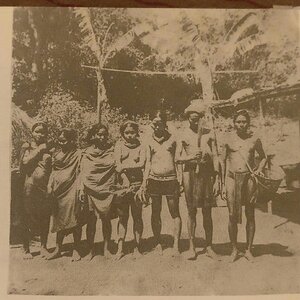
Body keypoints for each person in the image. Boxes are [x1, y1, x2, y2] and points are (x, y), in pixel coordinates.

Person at [220, 109, 267, 262]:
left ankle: (248, 249)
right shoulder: (227, 139)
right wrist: (221, 184)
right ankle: (234, 249)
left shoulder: (254, 139)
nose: (241, 124)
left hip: (249, 179)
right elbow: (222, 162)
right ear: (234, 123)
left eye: (244, 122)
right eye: (238, 122)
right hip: (232, 178)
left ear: (248, 123)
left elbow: (264, 157)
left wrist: (258, 170)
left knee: (250, 214)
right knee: (232, 215)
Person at [176, 101, 220, 260]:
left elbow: (216, 156)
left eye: (197, 118)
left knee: (207, 212)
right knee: (191, 211)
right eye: (192, 119)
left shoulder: (209, 133)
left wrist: (217, 179)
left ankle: (209, 247)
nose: (195, 121)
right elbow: (177, 158)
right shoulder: (183, 134)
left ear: (202, 118)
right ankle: (192, 247)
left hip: (207, 175)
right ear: (188, 118)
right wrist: (189, 157)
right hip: (190, 174)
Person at [143, 111, 182, 256]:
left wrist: (180, 179)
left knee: (174, 212)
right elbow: (147, 162)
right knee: (155, 212)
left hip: (171, 179)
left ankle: (176, 244)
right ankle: (158, 241)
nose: (156, 125)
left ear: (165, 124)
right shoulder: (149, 140)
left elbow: (178, 161)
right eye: (154, 123)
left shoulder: (173, 139)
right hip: (154, 180)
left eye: (159, 123)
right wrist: (144, 182)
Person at [79, 124, 118, 260]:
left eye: (104, 135)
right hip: (90, 189)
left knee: (106, 219)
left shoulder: (111, 150)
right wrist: (82, 189)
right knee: (91, 220)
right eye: (99, 134)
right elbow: (83, 172)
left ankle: (106, 248)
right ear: (93, 136)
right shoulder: (86, 153)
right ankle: (90, 250)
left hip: (107, 188)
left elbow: (116, 166)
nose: (102, 137)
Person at [46, 129, 83, 261]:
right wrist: (49, 185)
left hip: (72, 189)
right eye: (60, 140)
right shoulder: (56, 154)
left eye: (64, 140)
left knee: (74, 218)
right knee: (59, 219)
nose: (61, 143)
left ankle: (76, 249)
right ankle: (58, 248)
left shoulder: (78, 154)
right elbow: (53, 171)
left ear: (72, 141)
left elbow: (80, 171)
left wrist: (79, 188)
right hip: (58, 191)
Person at [19, 122, 53, 259]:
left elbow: (52, 167)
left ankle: (43, 247)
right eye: (38, 131)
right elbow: (25, 162)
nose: (40, 134)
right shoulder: (27, 146)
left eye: (43, 132)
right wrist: (39, 149)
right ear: (32, 132)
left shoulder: (49, 148)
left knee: (45, 217)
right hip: (29, 187)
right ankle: (26, 249)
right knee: (27, 217)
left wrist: (51, 185)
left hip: (44, 187)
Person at [114, 121, 146, 259]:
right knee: (122, 217)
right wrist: (124, 172)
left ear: (136, 132)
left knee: (137, 216)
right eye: (126, 133)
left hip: (137, 184)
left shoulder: (141, 146)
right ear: (122, 134)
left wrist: (125, 167)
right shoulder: (119, 145)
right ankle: (120, 248)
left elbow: (142, 163)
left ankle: (137, 246)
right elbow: (117, 165)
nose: (129, 135)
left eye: (132, 132)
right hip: (122, 185)